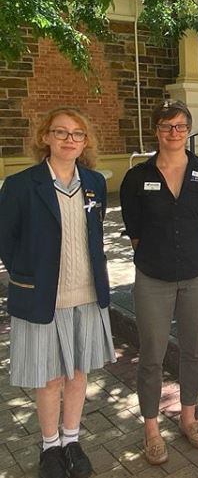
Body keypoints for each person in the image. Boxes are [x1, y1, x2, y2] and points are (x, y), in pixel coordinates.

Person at [0, 107, 115, 478]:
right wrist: (31, 273)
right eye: (61, 132)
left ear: (85, 142)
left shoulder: (95, 183)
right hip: (42, 298)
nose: (69, 139)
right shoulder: (20, 185)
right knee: (49, 378)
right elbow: (6, 240)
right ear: (45, 137)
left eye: (77, 134)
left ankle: (72, 440)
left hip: (86, 296)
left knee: (78, 374)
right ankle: (50, 447)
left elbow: (95, 235)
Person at [120, 100, 198, 464]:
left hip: (197, 274)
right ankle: (151, 428)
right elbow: (134, 230)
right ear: (157, 131)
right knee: (152, 356)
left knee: (193, 351)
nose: (173, 133)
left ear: (188, 129)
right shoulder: (137, 177)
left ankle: (189, 418)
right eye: (166, 127)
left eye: (180, 126)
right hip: (153, 278)